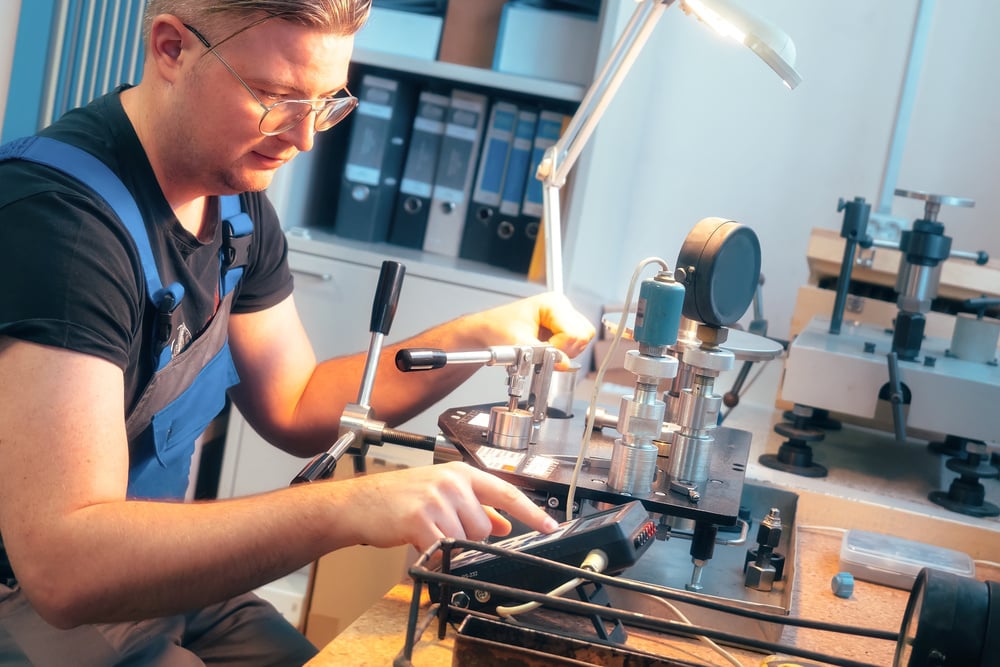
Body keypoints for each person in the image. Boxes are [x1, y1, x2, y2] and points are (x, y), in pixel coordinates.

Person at [0, 1, 595, 664]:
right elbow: (63, 566)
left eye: (326, 102)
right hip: (38, 596)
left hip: (154, 579)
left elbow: (297, 401)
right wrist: (346, 508)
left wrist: (487, 332)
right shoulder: (63, 227)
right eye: (276, 96)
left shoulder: (234, 199)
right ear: (171, 49)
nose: (305, 137)